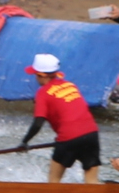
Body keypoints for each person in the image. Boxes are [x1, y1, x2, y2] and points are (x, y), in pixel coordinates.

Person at [19, 53, 101, 184]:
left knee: (54, 181)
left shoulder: (43, 93)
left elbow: (38, 123)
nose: (35, 77)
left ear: (42, 75)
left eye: (35, 74)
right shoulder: (70, 85)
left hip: (69, 137)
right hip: (91, 133)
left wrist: (24, 142)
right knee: (92, 181)